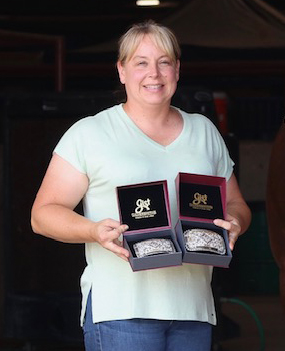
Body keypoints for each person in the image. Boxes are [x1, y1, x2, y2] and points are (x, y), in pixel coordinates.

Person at [31, 20, 251, 351]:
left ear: (177, 69)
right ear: (121, 71)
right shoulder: (90, 134)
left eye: (164, 62)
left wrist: (236, 223)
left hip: (192, 310)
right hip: (121, 310)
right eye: (141, 62)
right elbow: (42, 215)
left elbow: (236, 204)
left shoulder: (204, 131)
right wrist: (94, 232)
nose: (155, 73)